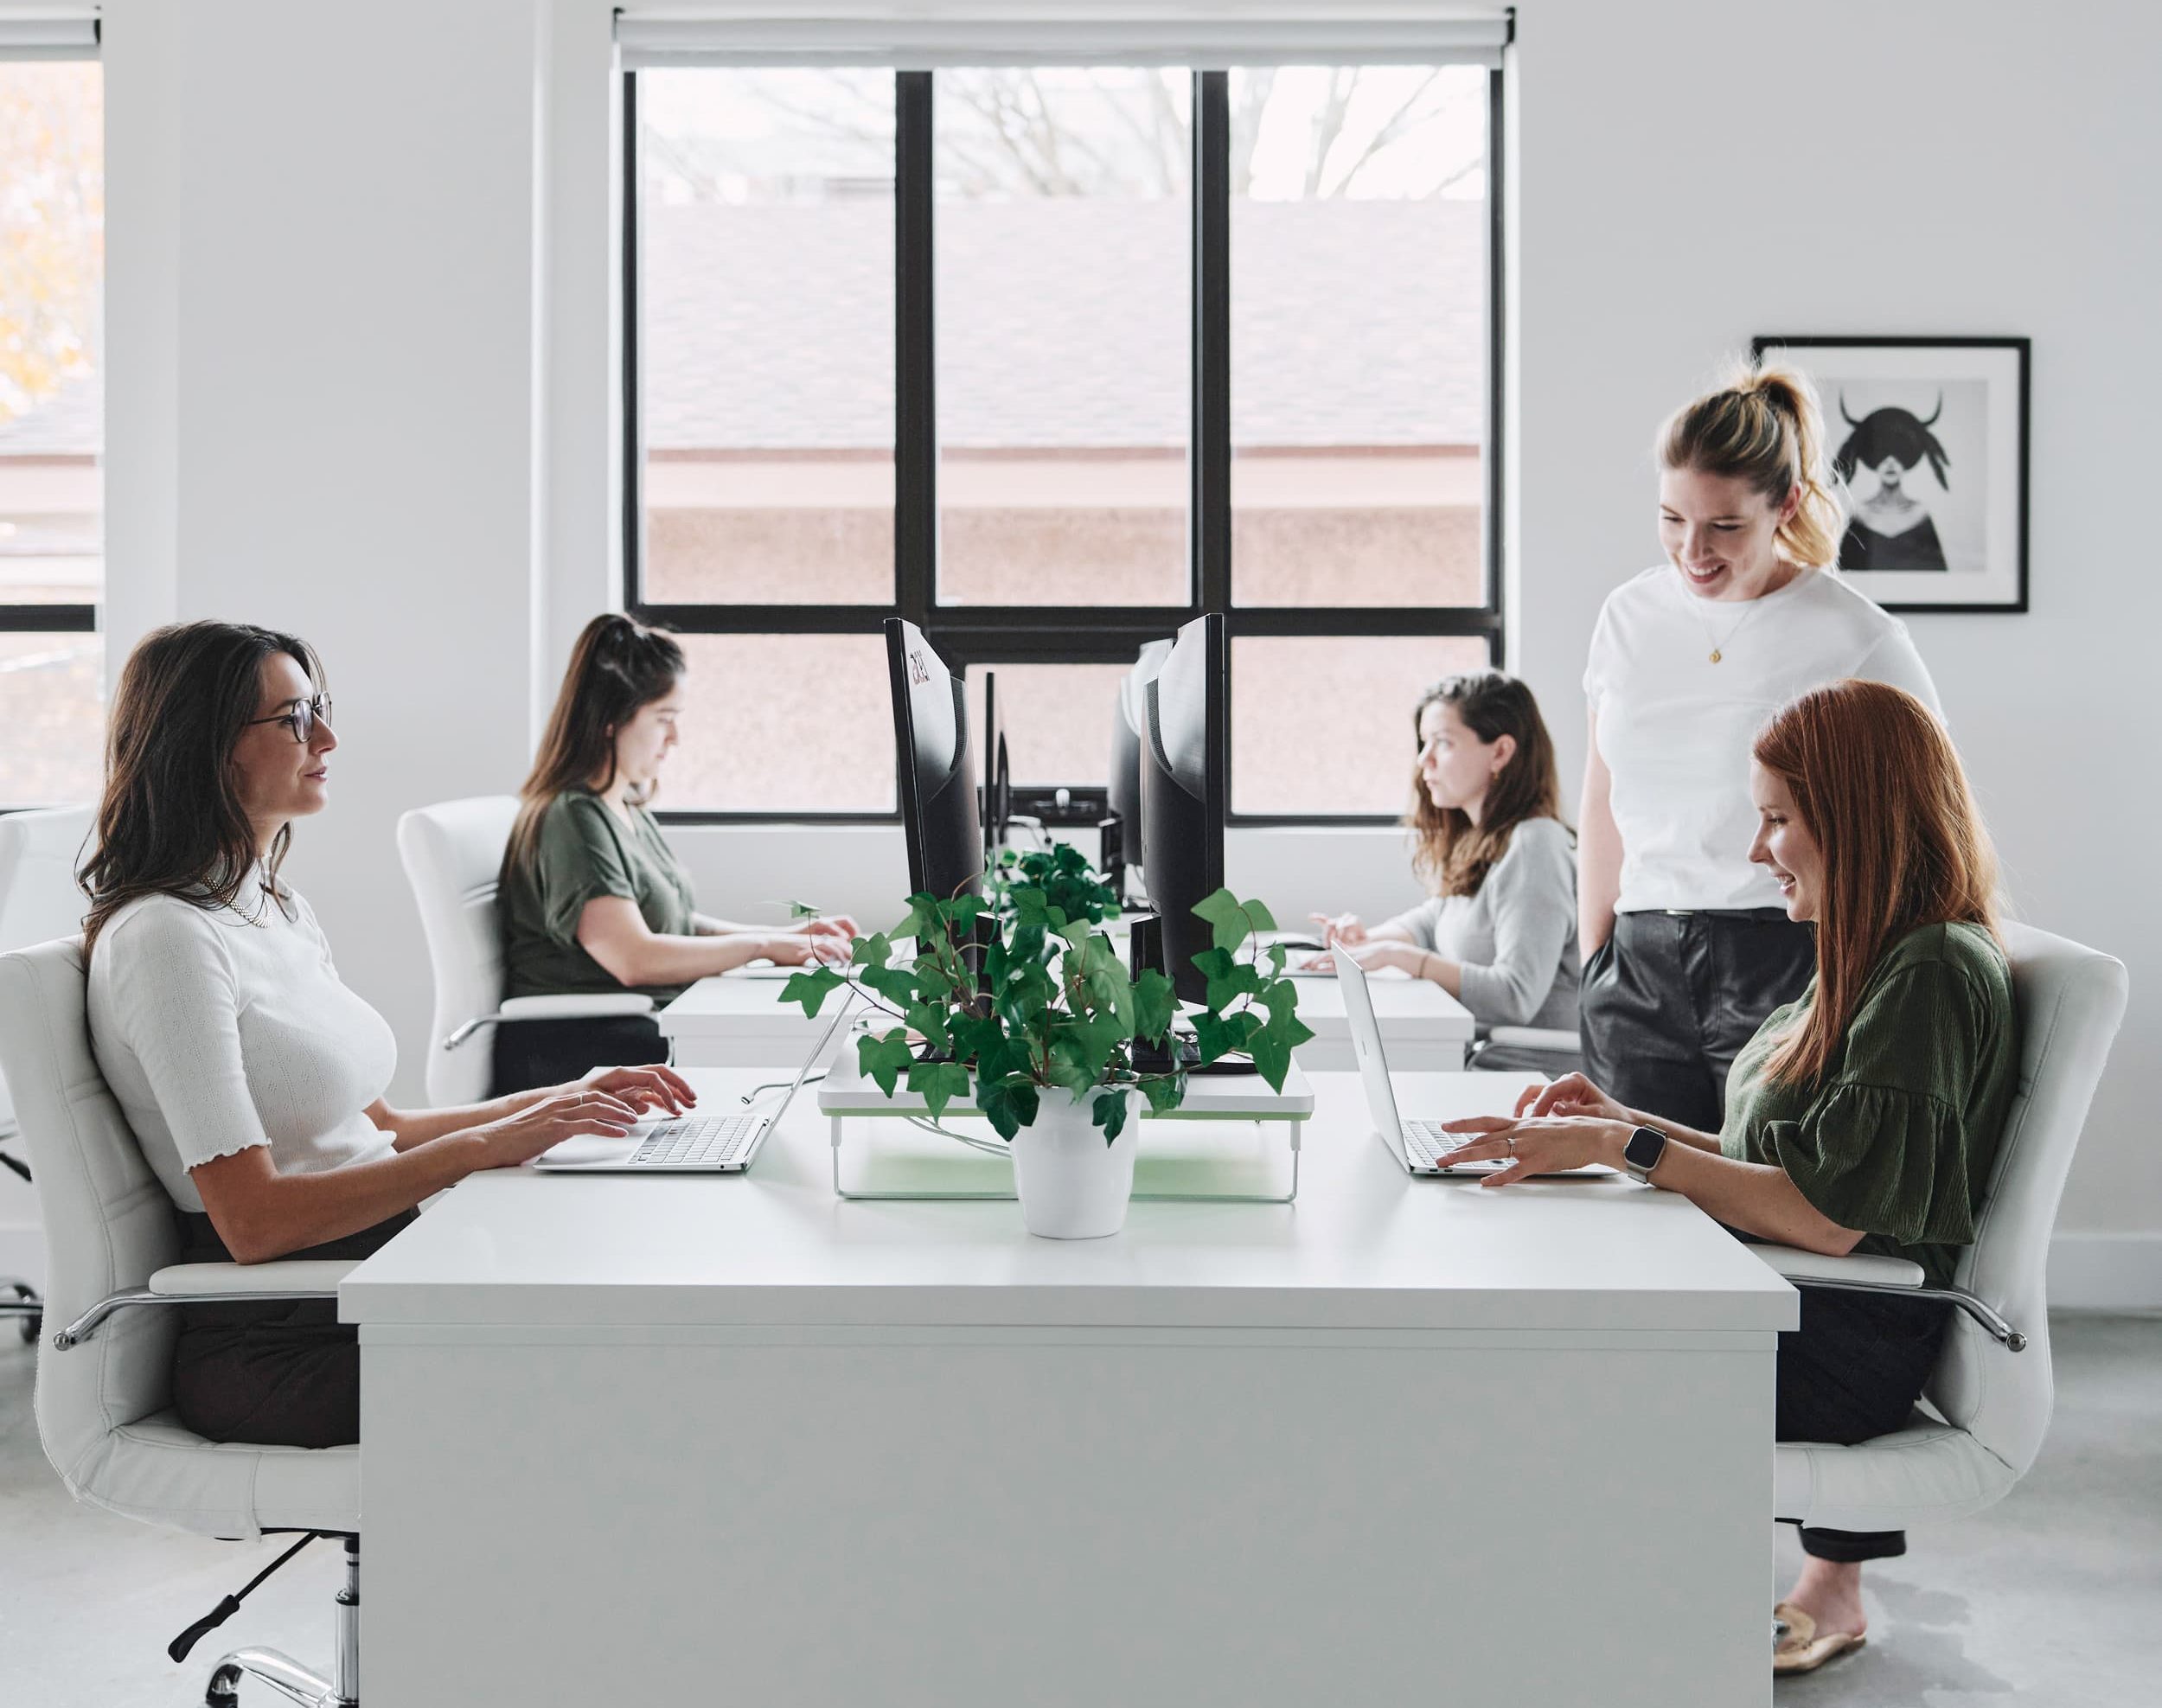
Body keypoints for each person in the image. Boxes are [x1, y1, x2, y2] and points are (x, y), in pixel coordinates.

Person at [1438, 679, 2016, 1676]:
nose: (1756, 851)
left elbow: (1830, 1221)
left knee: (1524, 1359)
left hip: (1834, 1339)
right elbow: (1775, 1158)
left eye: (1778, 820)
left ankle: (1539, 1645)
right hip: (1791, 1305)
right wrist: (1620, 1120)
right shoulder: (1872, 958)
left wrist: (1626, 1154)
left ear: (1858, 820)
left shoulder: (1925, 974)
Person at [80, 621, 692, 1449]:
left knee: (647, 1302)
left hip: (379, 1279)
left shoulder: (275, 907)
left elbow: (384, 1132)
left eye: (318, 710)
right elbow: (252, 1222)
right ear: (206, 746)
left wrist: (563, 1099)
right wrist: (489, 1145)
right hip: (286, 1334)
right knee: (626, 1368)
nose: (327, 738)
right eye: (293, 718)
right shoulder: (168, 939)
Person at [1578, 358, 1941, 1132]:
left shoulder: (1858, 637)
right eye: (1673, 518)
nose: (1692, 550)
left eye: (1725, 525)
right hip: (1636, 964)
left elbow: (1931, 826)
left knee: (1765, 1216)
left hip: (1788, 956)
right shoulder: (1627, 617)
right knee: (1633, 1218)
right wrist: (1594, 954)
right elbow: (1601, 793)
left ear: (1788, 504)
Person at [493, 613, 857, 1095]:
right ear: (610, 720)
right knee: (799, 1047)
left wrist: (779, 938)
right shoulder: (572, 819)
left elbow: (680, 922)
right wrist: (762, 948)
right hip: (582, 1045)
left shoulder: (621, 807)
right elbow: (634, 957)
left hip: (631, 1025)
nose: (675, 739)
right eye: (664, 720)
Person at [1308, 671, 1577, 1068]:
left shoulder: (1536, 845)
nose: (1424, 760)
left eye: (1443, 743)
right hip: (1479, 1054)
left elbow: (1515, 996)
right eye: (1424, 743)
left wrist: (1399, 956)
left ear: (1500, 753)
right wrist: (1369, 939)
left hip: (1526, 1071)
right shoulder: (1483, 839)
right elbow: (1437, 919)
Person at [1833, 397, 1954, 571]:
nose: (1890, 463)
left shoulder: (1920, 515)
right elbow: (1846, 576)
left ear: (1908, 458)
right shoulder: (1860, 515)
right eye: (1882, 455)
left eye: (1898, 454)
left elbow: (1936, 575)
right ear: (1871, 460)